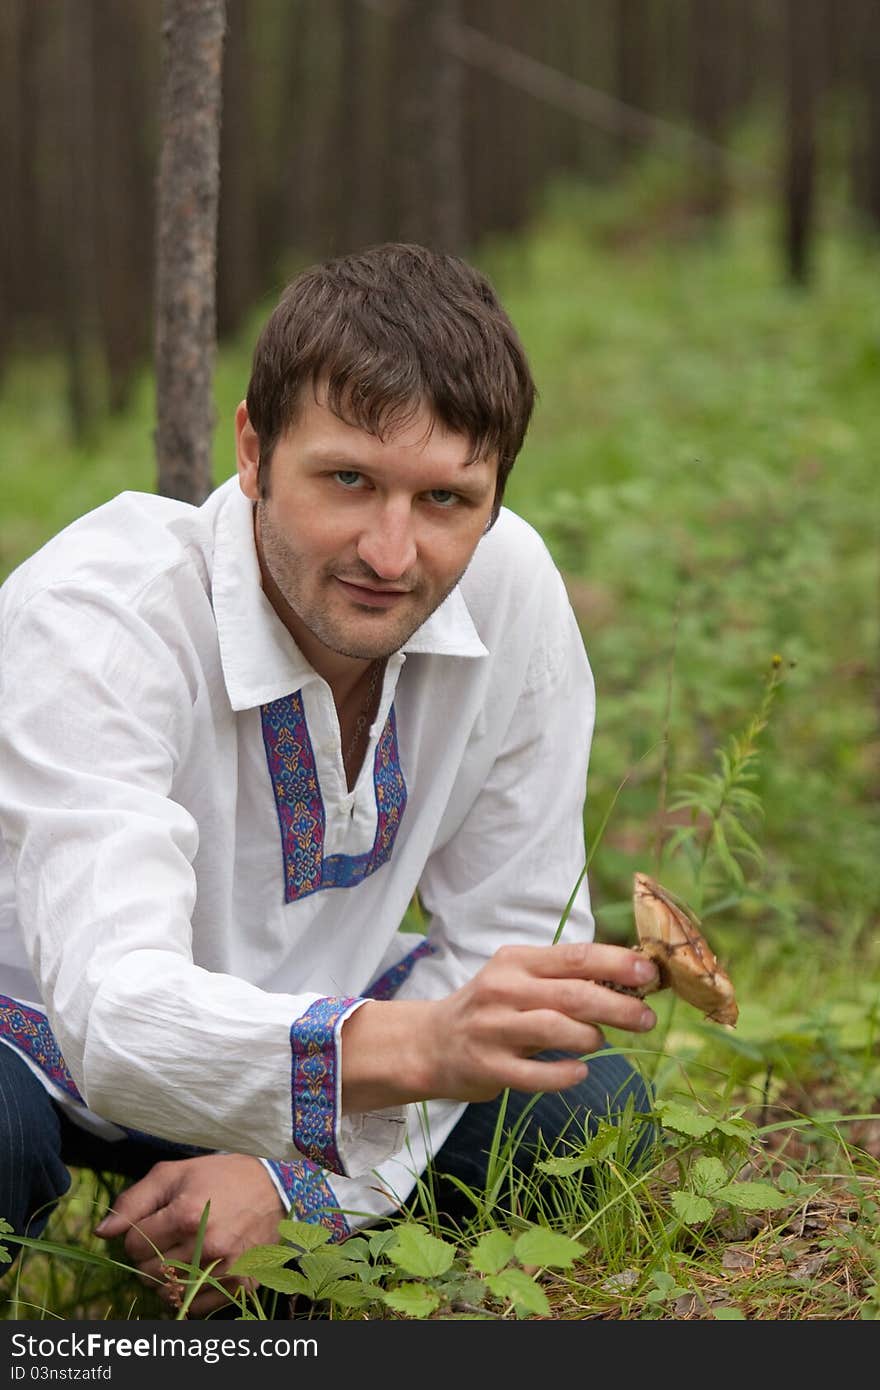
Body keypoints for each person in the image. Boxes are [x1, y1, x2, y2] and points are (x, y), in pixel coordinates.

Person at [0, 243, 658, 1317]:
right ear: (253, 450)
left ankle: (284, 1278)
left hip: (320, 1048)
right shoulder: (103, 613)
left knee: (581, 1111)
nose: (392, 554)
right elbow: (111, 1013)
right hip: (33, 1042)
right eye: (348, 479)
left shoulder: (509, 588)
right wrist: (417, 1050)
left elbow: (516, 940)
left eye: (446, 497)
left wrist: (298, 1187)